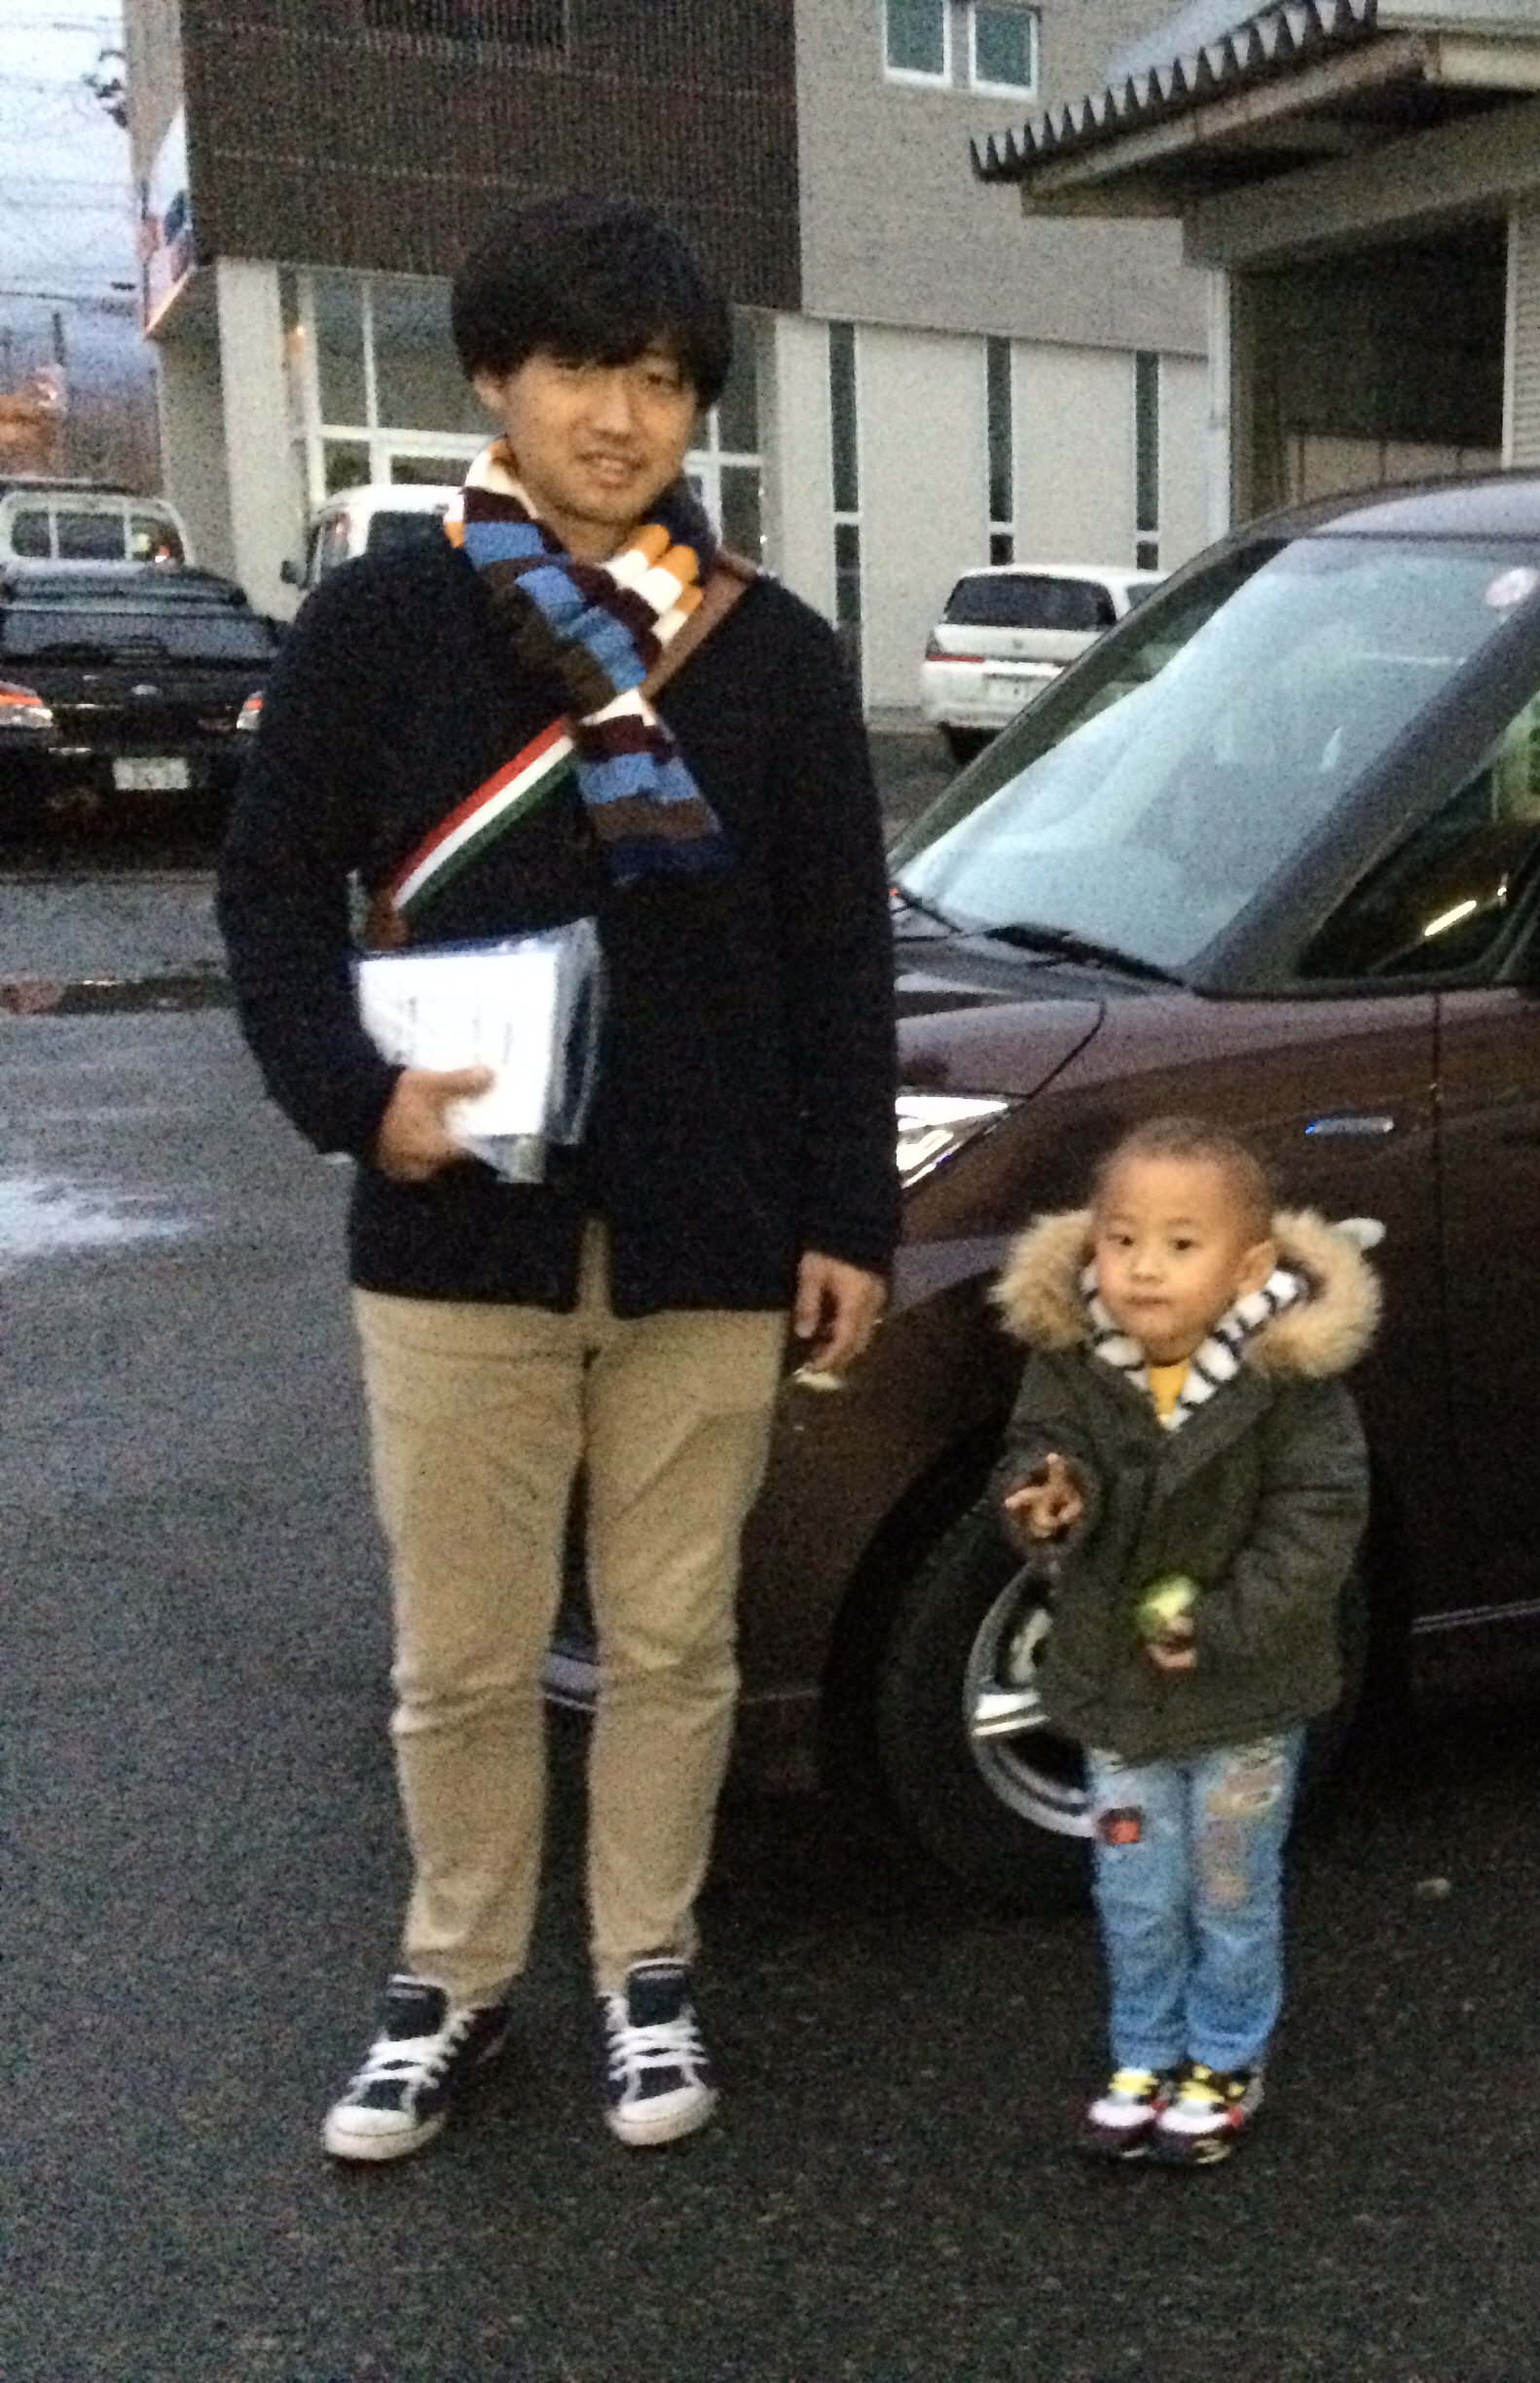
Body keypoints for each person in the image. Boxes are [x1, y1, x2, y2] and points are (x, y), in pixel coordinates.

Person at [216, 192, 898, 2160]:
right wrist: (357, 1099)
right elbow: (268, 892)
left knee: (677, 1642)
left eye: (665, 379)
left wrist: (846, 1215)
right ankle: (451, 1978)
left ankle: (645, 1965)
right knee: (462, 1656)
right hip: (454, 1233)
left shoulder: (772, 654)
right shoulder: (379, 622)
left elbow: (838, 957)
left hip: (708, 1232)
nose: (623, 415)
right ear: (493, 379)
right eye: (584, 368)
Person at [990, 1118, 1375, 2165]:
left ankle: (1226, 2054)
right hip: (1117, 1689)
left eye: (1180, 1244)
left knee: (1230, 1887)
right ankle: (1144, 2051)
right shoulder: (1075, 1357)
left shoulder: (1289, 1378)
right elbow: (1035, 1454)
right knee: (1135, 1889)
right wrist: (1045, 1501)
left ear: (1248, 1267)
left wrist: (1220, 1623)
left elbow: (1318, 1523)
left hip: (1245, 1692)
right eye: (1121, 1240)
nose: (1144, 1268)